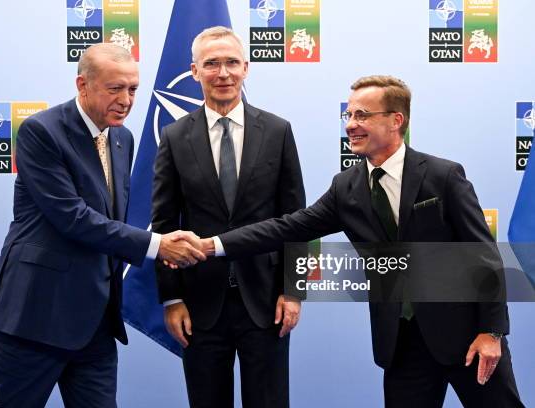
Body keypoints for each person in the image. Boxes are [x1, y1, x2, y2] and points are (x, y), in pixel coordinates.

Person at [201, 76, 523, 407]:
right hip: (400, 346)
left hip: (469, 338)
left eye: (362, 115)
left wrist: (492, 332)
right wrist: (213, 245)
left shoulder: (444, 176)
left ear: (396, 120)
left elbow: (483, 258)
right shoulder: (346, 188)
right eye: (349, 116)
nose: (351, 125)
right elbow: (287, 227)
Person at [0, 43, 204, 408]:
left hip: (95, 326)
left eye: (132, 89)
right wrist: (157, 244)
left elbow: (112, 220)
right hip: (32, 319)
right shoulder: (41, 131)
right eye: (115, 88)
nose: (126, 100)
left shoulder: (122, 138)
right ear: (82, 85)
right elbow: (74, 218)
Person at [152, 26, 306, 408]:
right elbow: (164, 223)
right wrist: (171, 299)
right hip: (200, 305)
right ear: (194, 71)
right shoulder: (173, 137)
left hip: (266, 302)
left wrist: (293, 290)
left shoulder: (277, 131)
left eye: (232, 63)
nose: (223, 73)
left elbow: (296, 219)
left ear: (246, 68)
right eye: (212, 64)